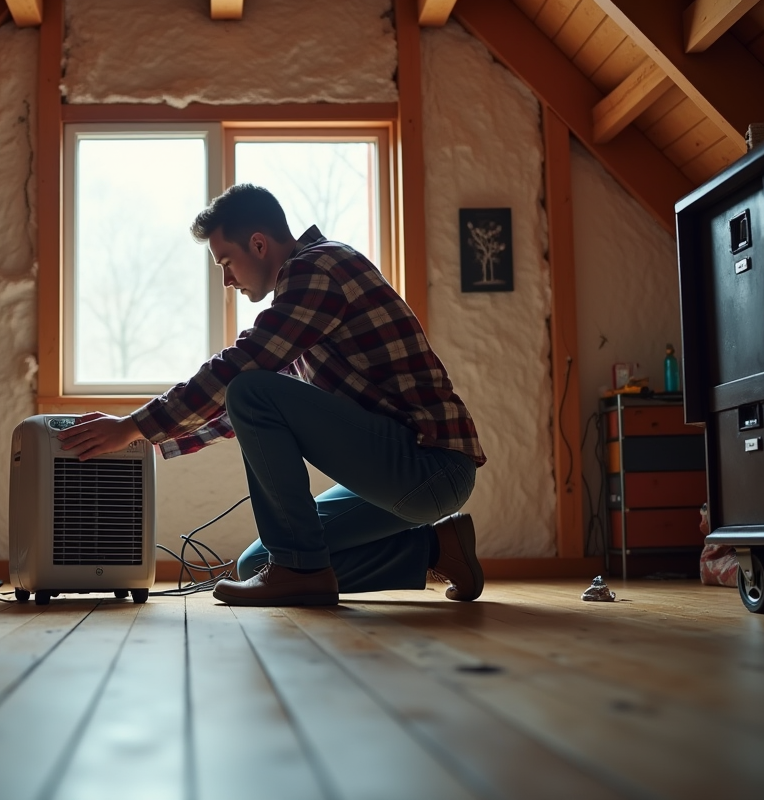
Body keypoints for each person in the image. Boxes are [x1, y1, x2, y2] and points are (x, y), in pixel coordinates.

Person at [56, 184, 486, 607]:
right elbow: (233, 412)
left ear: (258, 244)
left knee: (250, 390)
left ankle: (301, 572)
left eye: (226, 262)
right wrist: (141, 440)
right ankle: (437, 549)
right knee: (259, 562)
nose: (226, 280)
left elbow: (239, 375)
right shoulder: (308, 299)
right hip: (411, 472)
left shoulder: (316, 269)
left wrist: (134, 425)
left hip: (429, 465)